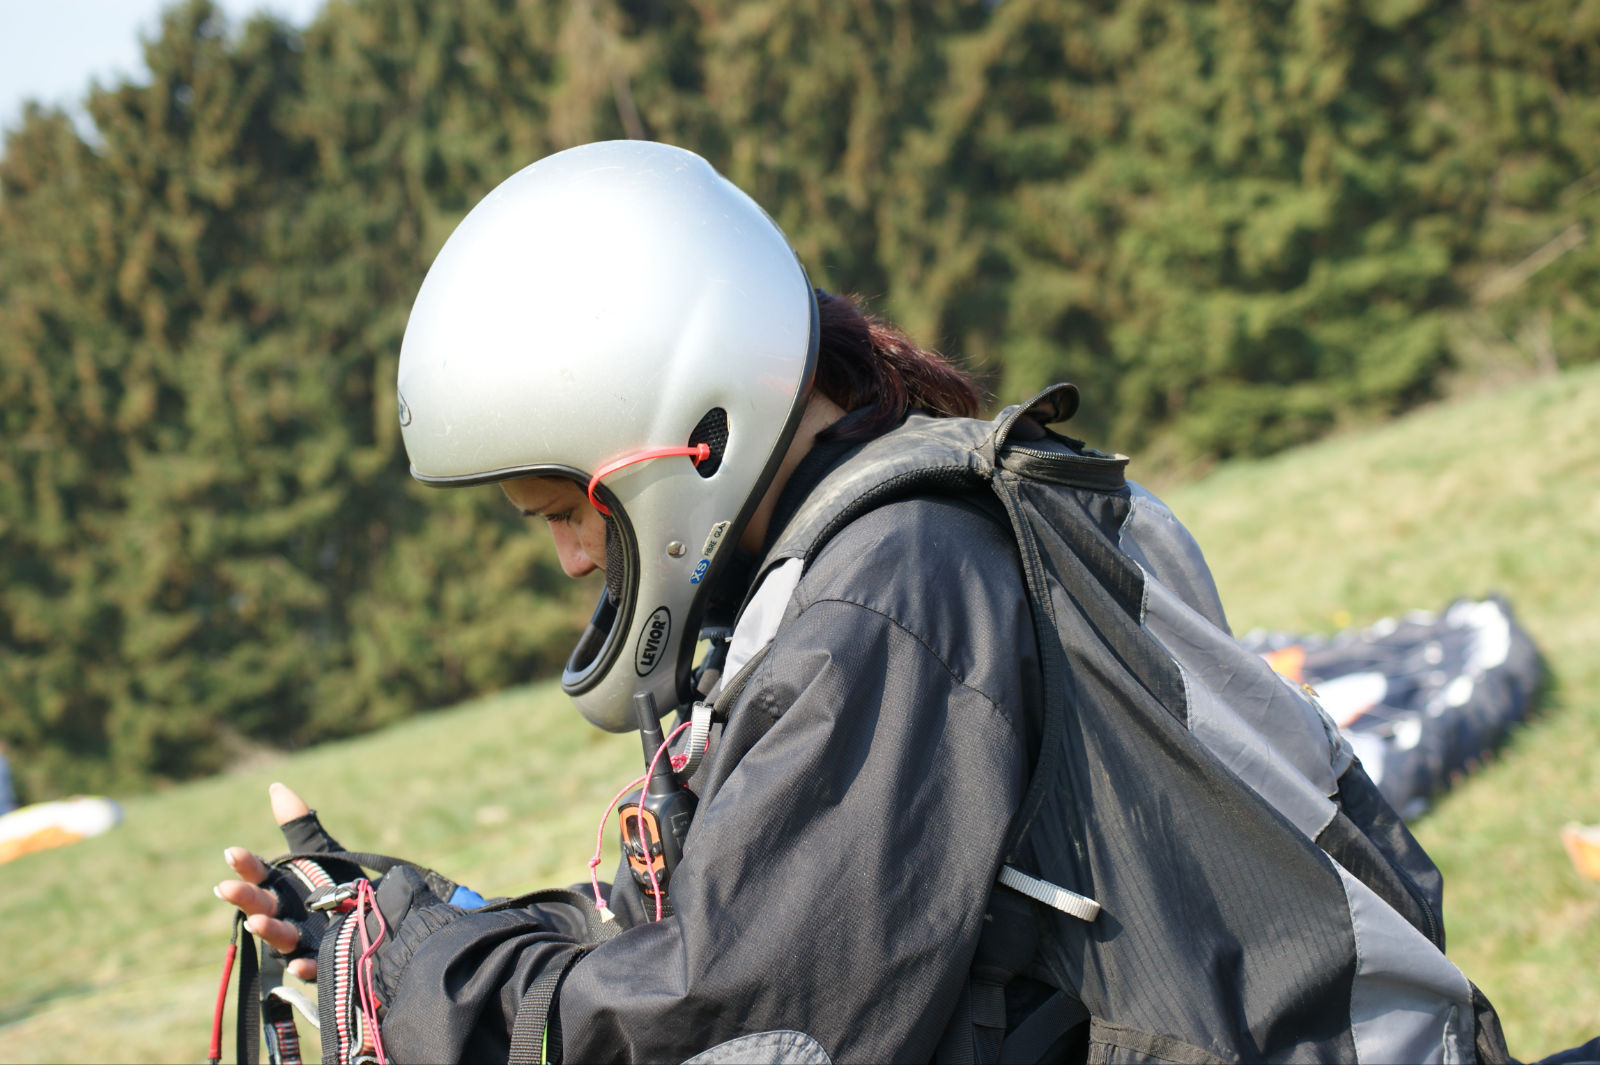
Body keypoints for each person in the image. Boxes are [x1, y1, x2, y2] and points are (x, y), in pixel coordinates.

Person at [216, 141, 1580, 1064]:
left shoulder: (892, 600)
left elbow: (754, 1025)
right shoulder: (862, 554)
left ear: (691, 433)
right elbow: (731, 916)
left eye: (563, 508)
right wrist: (414, 922)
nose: (575, 560)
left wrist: (426, 993)